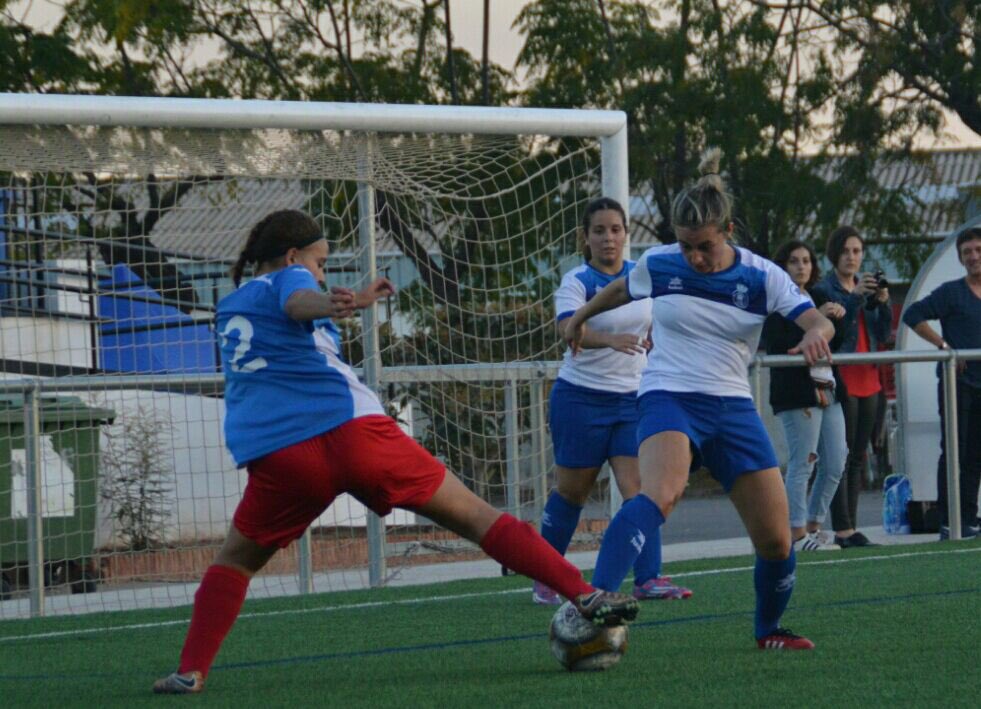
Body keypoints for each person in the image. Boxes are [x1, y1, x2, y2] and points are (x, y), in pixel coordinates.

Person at [152, 210, 638, 695]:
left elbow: (292, 314)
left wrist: (328, 304)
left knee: (235, 563)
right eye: (320, 263)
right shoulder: (293, 278)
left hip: (283, 457)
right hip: (357, 433)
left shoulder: (229, 306)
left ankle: (191, 670)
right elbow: (298, 298)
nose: (323, 273)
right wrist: (336, 301)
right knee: (478, 518)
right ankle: (584, 592)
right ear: (294, 256)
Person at [562, 149, 835, 650]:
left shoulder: (762, 276)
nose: (694, 257)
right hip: (668, 393)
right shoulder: (662, 262)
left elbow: (814, 317)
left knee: (777, 541)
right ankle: (593, 598)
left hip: (732, 405)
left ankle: (768, 630)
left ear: (727, 230)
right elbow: (623, 289)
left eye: (704, 246)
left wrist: (819, 332)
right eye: (686, 246)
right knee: (659, 492)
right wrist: (579, 318)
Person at [534, 197, 692, 605]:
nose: (609, 238)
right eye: (599, 230)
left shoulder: (642, 277)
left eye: (616, 230)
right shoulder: (578, 281)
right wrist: (609, 339)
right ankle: (546, 576)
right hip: (580, 400)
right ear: (584, 238)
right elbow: (569, 328)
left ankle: (648, 578)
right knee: (572, 492)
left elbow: (660, 319)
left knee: (642, 487)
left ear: (626, 235)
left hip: (632, 402)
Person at [762, 240, 848, 552]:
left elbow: (837, 343)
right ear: (783, 266)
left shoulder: (820, 296)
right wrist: (812, 326)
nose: (801, 266)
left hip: (827, 388)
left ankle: (814, 526)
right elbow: (777, 342)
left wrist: (835, 319)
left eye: (807, 261)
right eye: (794, 261)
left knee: (837, 460)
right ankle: (795, 533)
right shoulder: (774, 300)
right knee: (804, 462)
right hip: (796, 393)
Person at [811, 226, 891, 548]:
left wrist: (882, 302)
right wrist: (854, 298)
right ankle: (841, 527)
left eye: (857, 251)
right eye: (845, 251)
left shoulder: (865, 288)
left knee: (859, 455)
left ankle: (851, 527)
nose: (852, 257)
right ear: (834, 255)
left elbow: (883, 333)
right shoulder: (824, 289)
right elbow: (838, 330)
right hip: (842, 372)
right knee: (838, 456)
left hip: (868, 375)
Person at [902, 226, 981, 540]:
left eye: (978, 250)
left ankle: (969, 518)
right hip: (957, 383)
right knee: (954, 451)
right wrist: (944, 346)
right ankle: (950, 521)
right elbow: (913, 314)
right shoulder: (951, 292)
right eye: (967, 253)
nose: (974, 257)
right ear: (961, 259)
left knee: (976, 454)